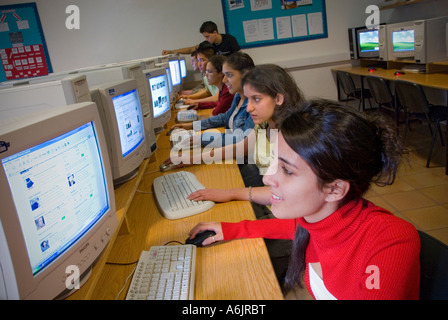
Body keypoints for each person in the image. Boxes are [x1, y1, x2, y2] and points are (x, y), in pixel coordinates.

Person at [188, 100, 421, 300]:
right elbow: (293, 227)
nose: (268, 178)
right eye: (274, 163)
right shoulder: (315, 220)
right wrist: (231, 229)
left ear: (334, 189)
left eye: (287, 171)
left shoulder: (389, 243)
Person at [169, 52, 256, 147]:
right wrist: (193, 125)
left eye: (229, 75)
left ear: (246, 75)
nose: (224, 80)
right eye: (224, 75)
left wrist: (201, 139)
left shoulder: (254, 105)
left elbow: (241, 139)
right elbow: (225, 117)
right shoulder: (238, 96)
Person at [162, 21, 240, 56]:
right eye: (205, 37)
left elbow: (240, 58)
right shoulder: (208, 43)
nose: (206, 39)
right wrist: (170, 51)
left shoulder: (230, 39)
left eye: (207, 36)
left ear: (215, 32)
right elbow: (191, 49)